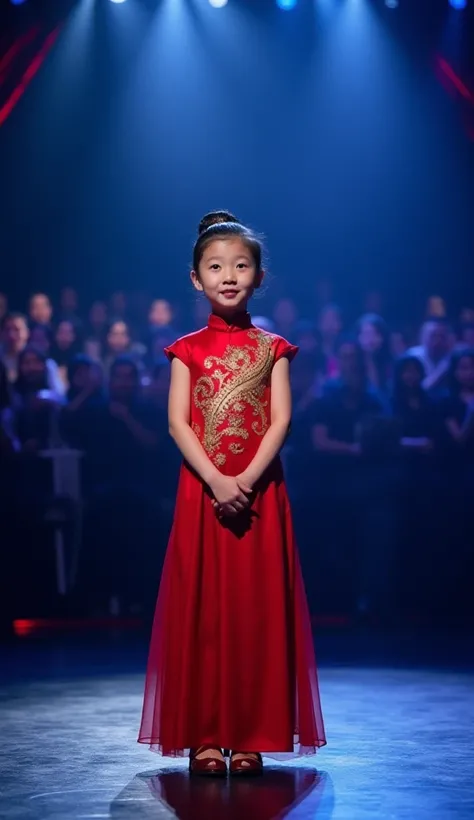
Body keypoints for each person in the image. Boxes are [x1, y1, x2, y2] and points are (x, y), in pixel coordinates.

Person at [138, 214, 326, 775]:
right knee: (205, 613)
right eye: (215, 267)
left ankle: (249, 733)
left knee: (254, 611)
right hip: (202, 496)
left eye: (240, 266)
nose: (228, 276)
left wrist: (244, 482)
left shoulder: (275, 349)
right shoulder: (185, 350)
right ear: (196, 279)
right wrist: (217, 481)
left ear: (259, 277)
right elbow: (178, 424)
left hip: (261, 497)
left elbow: (282, 421)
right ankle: (205, 735)